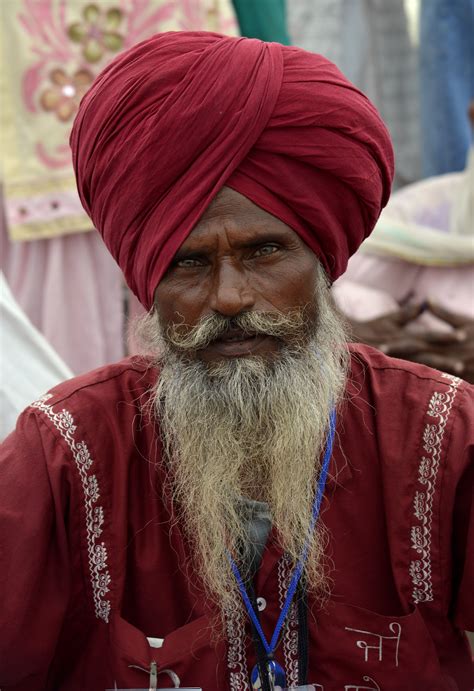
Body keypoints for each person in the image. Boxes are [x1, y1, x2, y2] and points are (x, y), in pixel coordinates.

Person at [0, 32, 472, 691]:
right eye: (189, 262)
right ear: (147, 280)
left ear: (323, 261)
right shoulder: (62, 456)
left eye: (264, 252)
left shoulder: (442, 433)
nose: (229, 297)